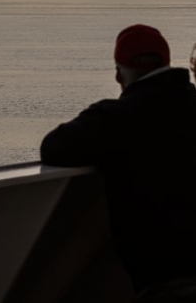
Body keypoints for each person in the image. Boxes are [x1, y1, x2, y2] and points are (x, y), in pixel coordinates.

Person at [40, 24, 196, 302]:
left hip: (168, 281)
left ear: (119, 71)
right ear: (167, 62)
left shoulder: (116, 119)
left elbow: (53, 147)